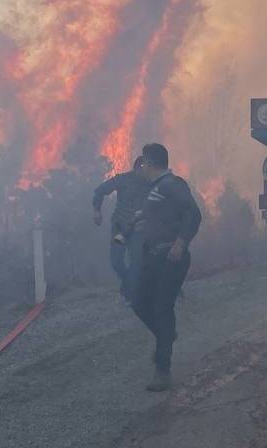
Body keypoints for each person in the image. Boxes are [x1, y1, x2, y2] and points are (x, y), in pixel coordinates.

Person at [130, 143, 201, 392]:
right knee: (138, 300)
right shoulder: (156, 189)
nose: (142, 167)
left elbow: (193, 214)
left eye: (144, 163)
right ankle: (166, 335)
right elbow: (161, 217)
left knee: (161, 307)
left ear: (150, 163)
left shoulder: (173, 184)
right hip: (153, 255)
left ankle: (162, 370)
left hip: (171, 257)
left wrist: (181, 243)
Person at [93, 156, 151, 304]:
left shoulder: (151, 183)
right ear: (138, 168)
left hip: (138, 229)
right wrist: (97, 211)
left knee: (136, 262)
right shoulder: (122, 179)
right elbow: (100, 191)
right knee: (116, 261)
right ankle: (128, 284)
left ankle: (132, 294)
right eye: (145, 168)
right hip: (119, 228)